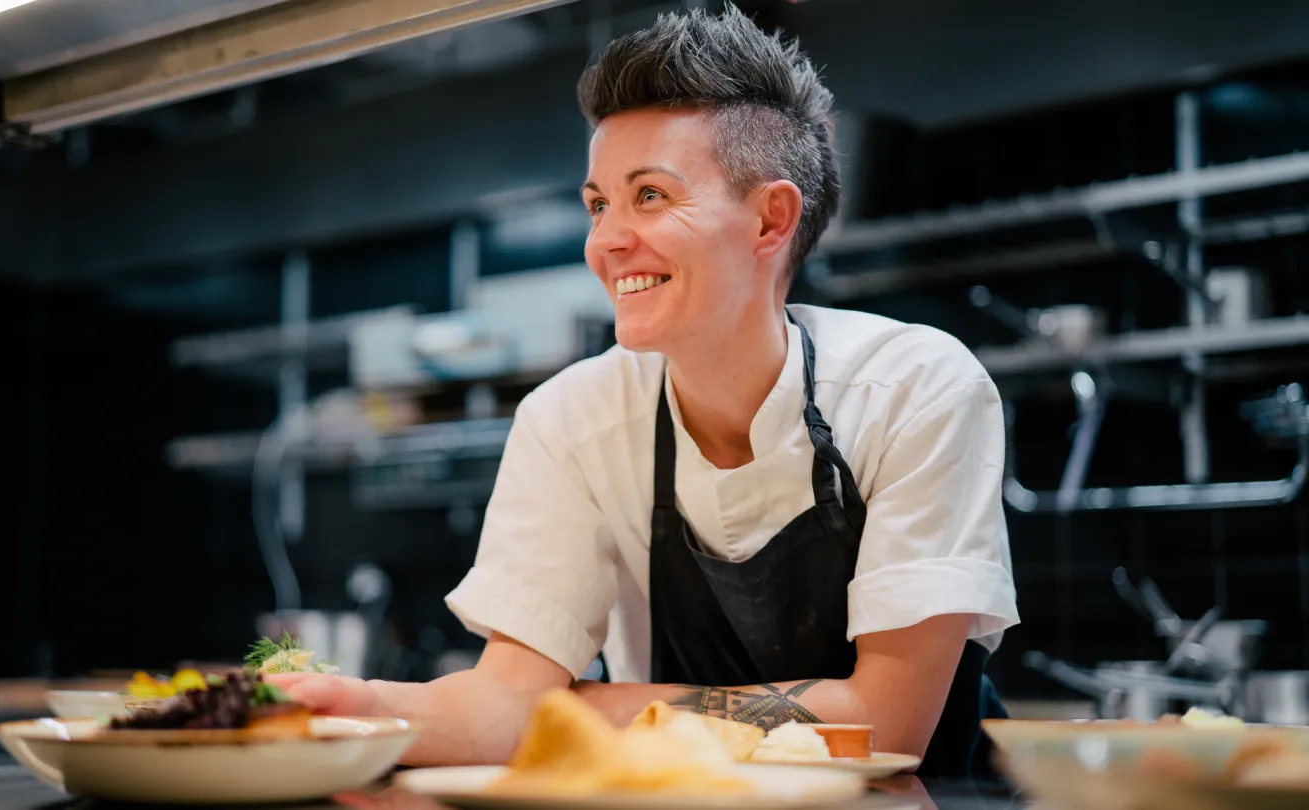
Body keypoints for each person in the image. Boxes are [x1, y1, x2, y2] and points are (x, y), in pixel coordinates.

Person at [271, 5, 1018, 778]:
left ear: (771, 220)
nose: (606, 240)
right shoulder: (569, 419)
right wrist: (358, 708)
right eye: (599, 203)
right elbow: (504, 705)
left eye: (650, 196)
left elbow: (886, 722)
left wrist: (596, 706)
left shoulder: (916, 388)